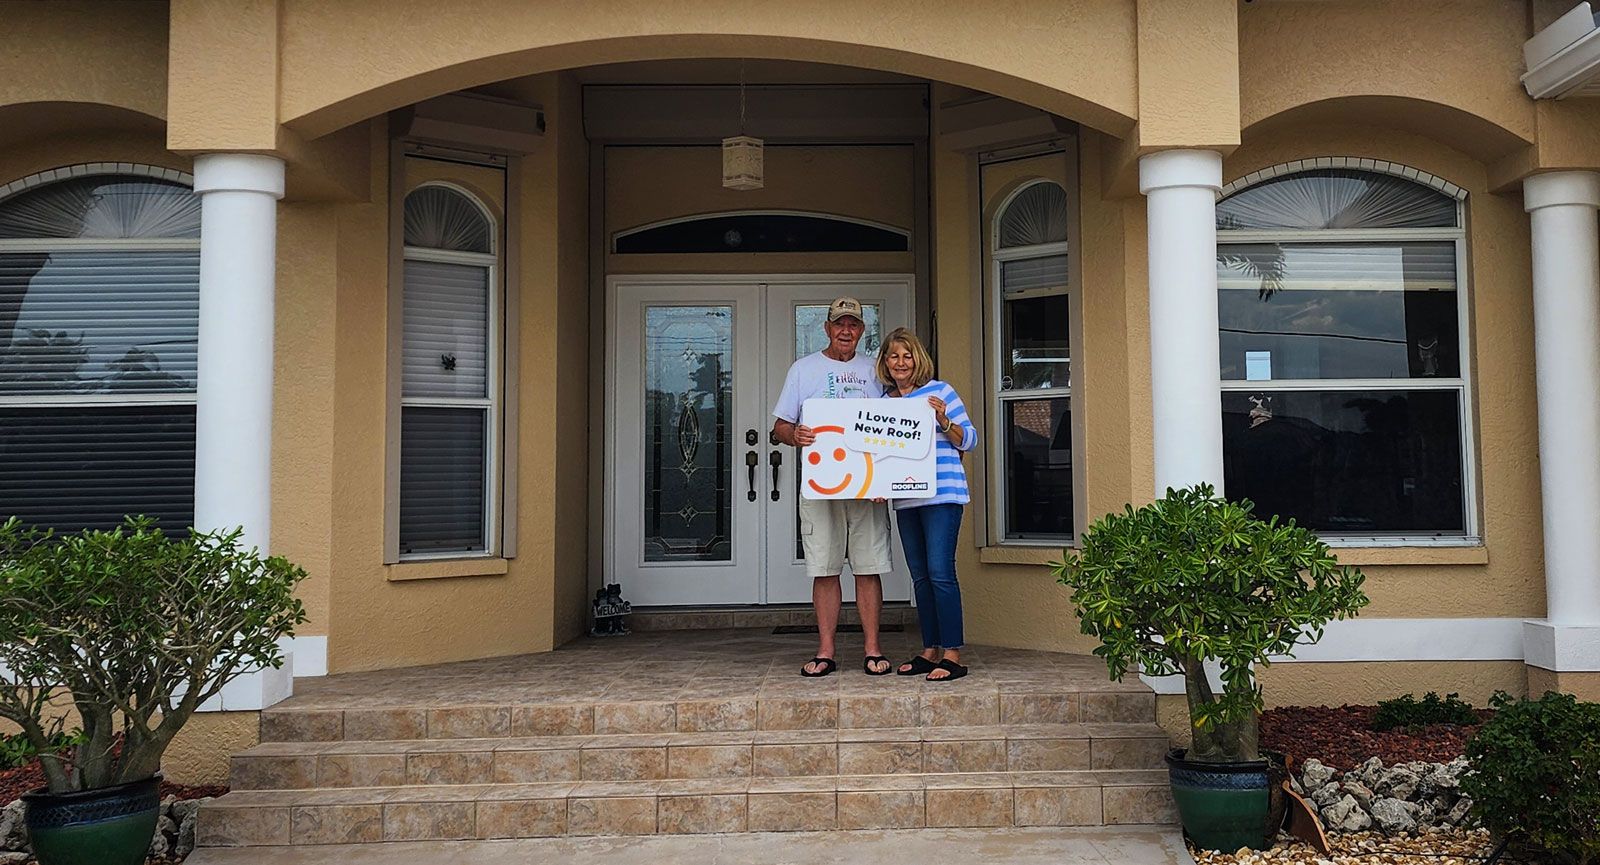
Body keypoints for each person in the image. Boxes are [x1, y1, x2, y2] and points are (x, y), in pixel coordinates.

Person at [772, 297, 894, 678]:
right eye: (839, 324)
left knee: (868, 567)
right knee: (824, 569)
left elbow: (893, 429)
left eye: (853, 325)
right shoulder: (803, 370)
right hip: (821, 486)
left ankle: (872, 648)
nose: (846, 331)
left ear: (862, 330)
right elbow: (779, 427)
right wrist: (796, 434)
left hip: (866, 487)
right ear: (826, 328)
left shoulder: (876, 370)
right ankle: (826, 650)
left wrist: (886, 479)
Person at [877, 327, 978, 682]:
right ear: (885, 363)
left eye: (907, 355)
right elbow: (882, 455)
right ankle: (930, 649)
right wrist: (877, 484)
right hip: (907, 500)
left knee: (940, 572)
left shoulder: (941, 392)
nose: (901, 363)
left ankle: (952, 653)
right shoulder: (885, 403)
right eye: (894, 356)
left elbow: (970, 439)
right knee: (920, 577)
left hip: (943, 496)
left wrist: (943, 420)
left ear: (917, 359)